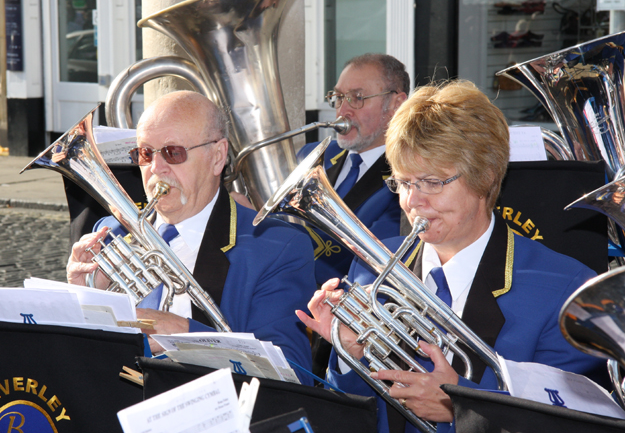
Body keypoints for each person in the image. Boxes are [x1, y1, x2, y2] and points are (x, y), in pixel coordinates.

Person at [297, 80, 609, 431]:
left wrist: (460, 406)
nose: (413, 202)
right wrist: (347, 356)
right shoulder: (371, 266)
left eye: (432, 182)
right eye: (403, 182)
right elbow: (350, 418)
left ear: (484, 177)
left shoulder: (566, 292)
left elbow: (571, 425)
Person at [67, 91, 316, 385]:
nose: (156, 169)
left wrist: (186, 335)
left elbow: (292, 372)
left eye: (173, 152)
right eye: (145, 153)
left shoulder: (276, 246)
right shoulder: (113, 231)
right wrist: (81, 297)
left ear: (217, 157)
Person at [298, 53, 409, 286]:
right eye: (339, 97)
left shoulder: (406, 180)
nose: (342, 111)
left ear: (396, 105)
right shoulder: (311, 156)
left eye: (357, 98)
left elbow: (369, 263)